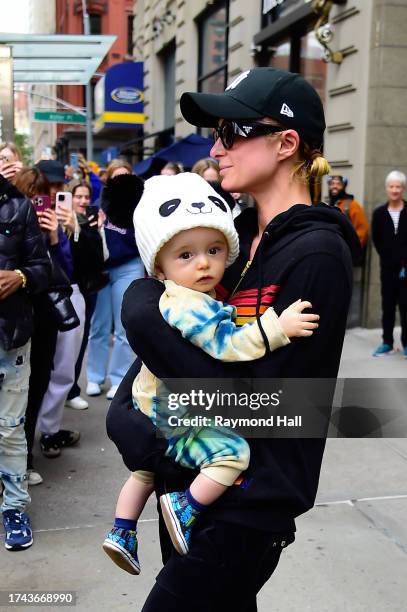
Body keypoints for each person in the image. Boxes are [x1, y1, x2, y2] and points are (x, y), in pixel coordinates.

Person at [107, 67, 356, 610]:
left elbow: (282, 403)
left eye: (233, 131)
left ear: (287, 142)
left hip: (248, 501)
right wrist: (128, 411)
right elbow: (179, 335)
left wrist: (144, 317)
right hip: (189, 482)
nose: (217, 147)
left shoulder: (315, 252)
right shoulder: (231, 238)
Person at [101, 172, 318, 573]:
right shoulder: (189, 303)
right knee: (232, 454)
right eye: (186, 255)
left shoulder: (179, 296)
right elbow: (225, 345)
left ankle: (122, 530)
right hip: (174, 408)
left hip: (151, 403)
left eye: (214, 250)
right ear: (159, 266)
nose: (203, 263)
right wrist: (276, 328)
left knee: (145, 470)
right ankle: (185, 506)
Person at [0, 169, 50, 550]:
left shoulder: (18, 207)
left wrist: (20, 276)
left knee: (9, 428)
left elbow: (43, 267)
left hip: (10, 337)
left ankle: (14, 508)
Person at [86, 159, 144, 401]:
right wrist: (94, 227)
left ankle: (119, 378)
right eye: (116, 177)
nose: (121, 181)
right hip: (102, 270)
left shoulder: (141, 205)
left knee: (123, 326)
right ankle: (94, 377)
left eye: (125, 177)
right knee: (99, 325)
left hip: (129, 265)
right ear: (108, 180)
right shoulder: (98, 206)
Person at [65, 181, 106, 410]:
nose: (82, 201)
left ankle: (71, 390)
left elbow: (99, 257)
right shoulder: (61, 221)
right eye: (77, 196)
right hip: (65, 289)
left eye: (85, 196)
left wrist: (97, 230)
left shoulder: (90, 223)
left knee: (79, 342)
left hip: (87, 289)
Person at [371, 170, 407, 357]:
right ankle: (387, 342)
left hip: (406, 270)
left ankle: (406, 344)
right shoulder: (379, 214)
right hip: (387, 269)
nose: (395, 190)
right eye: (391, 186)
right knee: (388, 306)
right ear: (387, 189)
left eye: (398, 186)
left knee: (406, 306)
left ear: (403, 189)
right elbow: (376, 239)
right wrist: (388, 257)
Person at [327, 175, 369, 250]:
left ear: (344, 187)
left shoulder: (352, 205)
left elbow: (363, 230)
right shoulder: (328, 206)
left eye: (338, 184)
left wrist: (352, 249)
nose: (335, 186)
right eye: (332, 183)